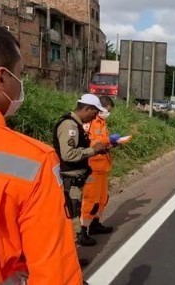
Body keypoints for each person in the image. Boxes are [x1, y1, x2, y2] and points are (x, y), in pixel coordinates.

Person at [0, 22, 83, 284]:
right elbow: (54, 273)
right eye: (20, 75)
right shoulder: (33, 160)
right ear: (1, 78)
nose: (21, 85)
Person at [52, 93, 108, 250]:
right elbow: (68, 154)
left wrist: (97, 150)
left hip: (77, 178)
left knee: (74, 218)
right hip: (71, 180)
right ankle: (70, 257)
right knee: (72, 219)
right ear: (87, 108)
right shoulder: (69, 126)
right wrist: (92, 151)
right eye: (94, 113)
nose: (94, 117)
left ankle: (72, 256)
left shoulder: (76, 125)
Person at [81, 95, 117, 235]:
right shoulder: (89, 122)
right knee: (90, 200)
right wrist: (107, 140)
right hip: (92, 169)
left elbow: (102, 143)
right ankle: (82, 231)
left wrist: (112, 143)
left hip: (103, 168)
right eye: (106, 110)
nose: (108, 113)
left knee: (103, 199)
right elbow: (87, 144)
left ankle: (95, 224)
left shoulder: (102, 123)